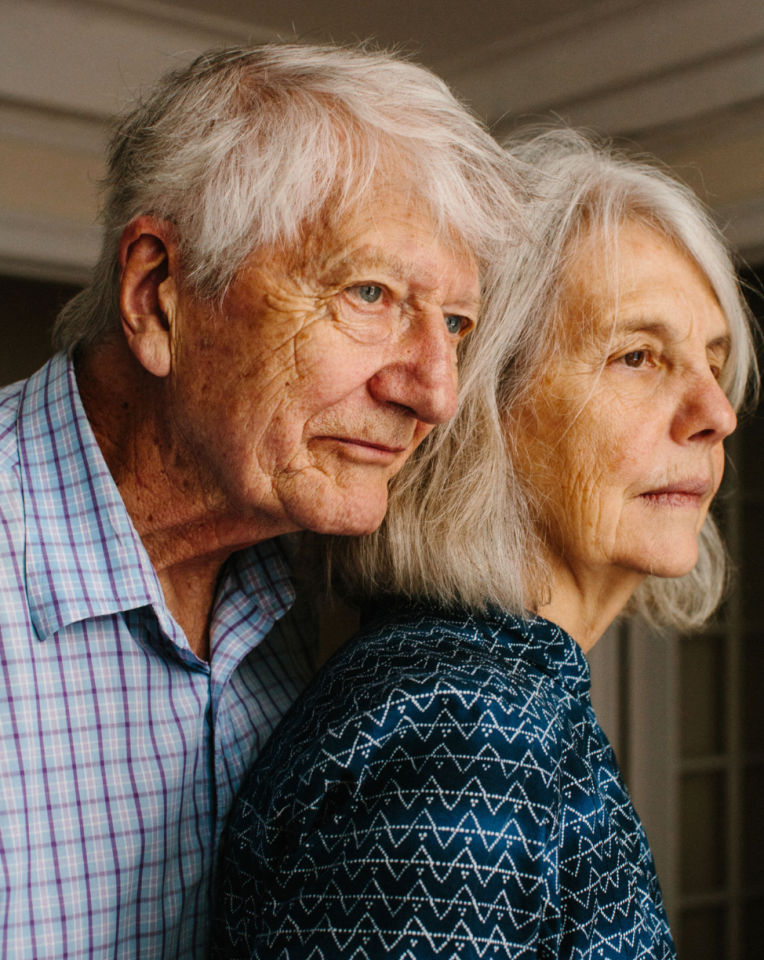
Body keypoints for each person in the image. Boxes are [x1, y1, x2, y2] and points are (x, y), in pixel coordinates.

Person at [0, 43, 522, 959]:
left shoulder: (308, 568)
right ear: (158, 295)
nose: (433, 393)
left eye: (455, 324)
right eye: (370, 293)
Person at [214, 130, 757, 959]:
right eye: (638, 356)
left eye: (713, 362)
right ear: (482, 413)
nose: (715, 412)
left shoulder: (502, 693)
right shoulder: (460, 728)